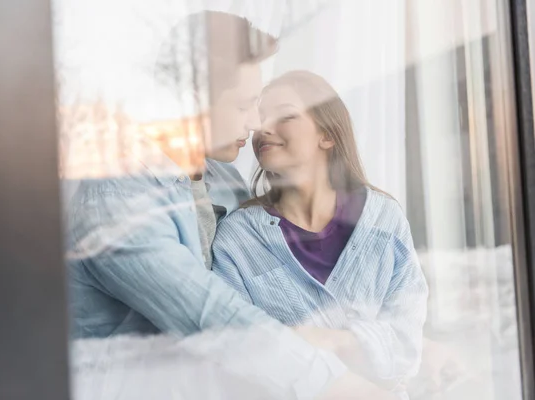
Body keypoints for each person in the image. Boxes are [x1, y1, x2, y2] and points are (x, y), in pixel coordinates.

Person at [64, 11, 397, 400]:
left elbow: (269, 288)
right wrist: (337, 383)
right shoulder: (115, 201)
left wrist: (371, 348)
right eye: (244, 106)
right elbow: (211, 317)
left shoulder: (222, 181)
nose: (257, 122)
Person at [212, 70, 429, 397]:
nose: (262, 127)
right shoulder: (236, 237)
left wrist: (323, 340)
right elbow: (239, 352)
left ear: (327, 135)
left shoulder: (384, 219)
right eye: (260, 116)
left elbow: (406, 343)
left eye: (284, 115)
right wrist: (366, 354)